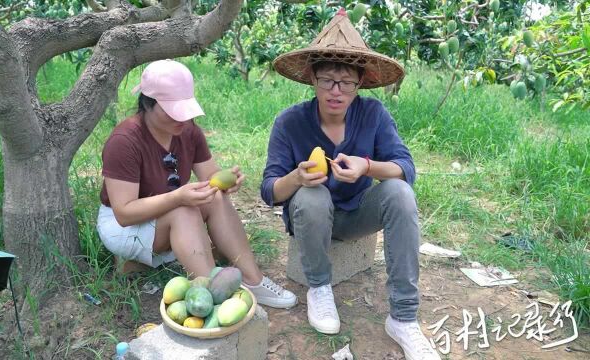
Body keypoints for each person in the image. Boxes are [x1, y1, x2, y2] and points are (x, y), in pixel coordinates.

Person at [261, 9, 440, 360]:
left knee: (400, 192)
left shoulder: (373, 115)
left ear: (360, 84)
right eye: (328, 80)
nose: (336, 91)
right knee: (312, 194)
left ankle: (403, 317)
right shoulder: (290, 122)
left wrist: (367, 166)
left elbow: (407, 169)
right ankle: (319, 288)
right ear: (312, 79)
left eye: (347, 83)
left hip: (357, 214)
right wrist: (297, 178)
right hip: (311, 217)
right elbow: (269, 191)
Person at [96, 59, 297, 309]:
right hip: (123, 225)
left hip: (165, 211)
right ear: (148, 103)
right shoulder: (125, 140)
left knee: (212, 196)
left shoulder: (187, 130)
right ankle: (213, 295)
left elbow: (210, 176)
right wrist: (177, 198)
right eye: (172, 109)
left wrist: (226, 181)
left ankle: (252, 278)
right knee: (183, 210)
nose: (183, 117)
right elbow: (124, 213)